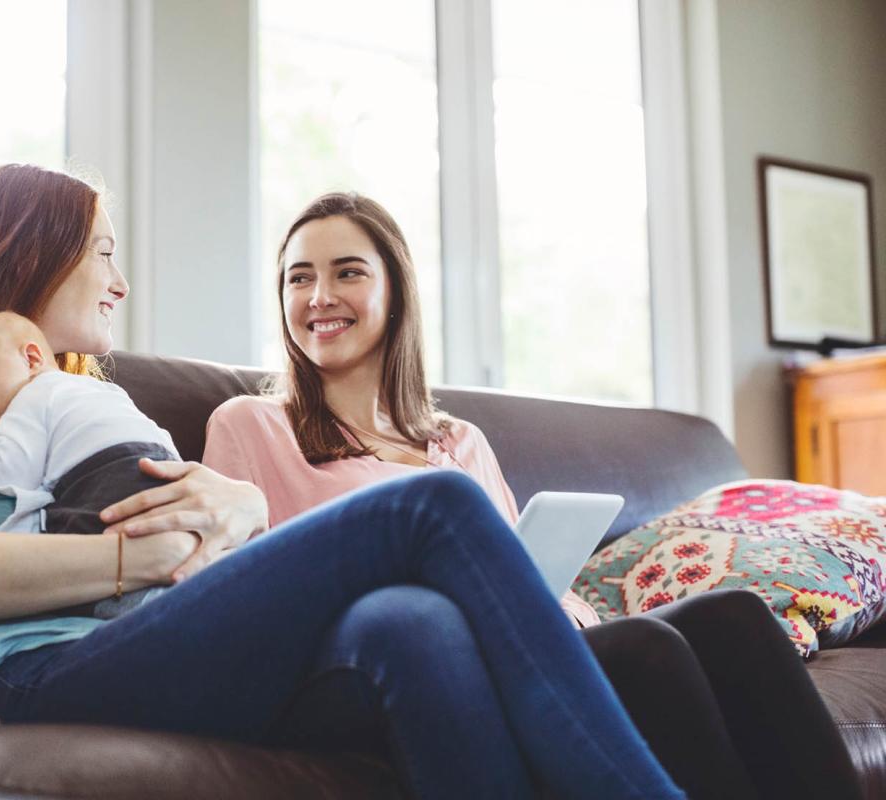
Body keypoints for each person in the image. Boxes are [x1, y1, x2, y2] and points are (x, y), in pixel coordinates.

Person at [0, 163, 687, 799]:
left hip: (152, 637)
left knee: (410, 623)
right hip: (45, 667)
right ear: (34, 252)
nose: (119, 284)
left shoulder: (86, 401)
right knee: (433, 502)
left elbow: (208, 538)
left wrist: (235, 512)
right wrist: (142, 558)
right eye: (103, 254)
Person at [201, 190, 861, 800]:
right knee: (644, 652)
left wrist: (565, 618)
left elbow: (532, 569)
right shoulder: (251, 424)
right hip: (408, 656)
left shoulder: (456, 442)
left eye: (348, 272)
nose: (319, 294)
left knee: (733, 616)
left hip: (521, 640)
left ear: (396, 292)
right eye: (299, 276)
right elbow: (238, 597)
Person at [0, 310, 178, 618]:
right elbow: (160, 435)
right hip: (164, 472)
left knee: (83, 575)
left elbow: (7, 472)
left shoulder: (32, 395)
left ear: (32, 359)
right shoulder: (101, 390)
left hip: (105, 480)